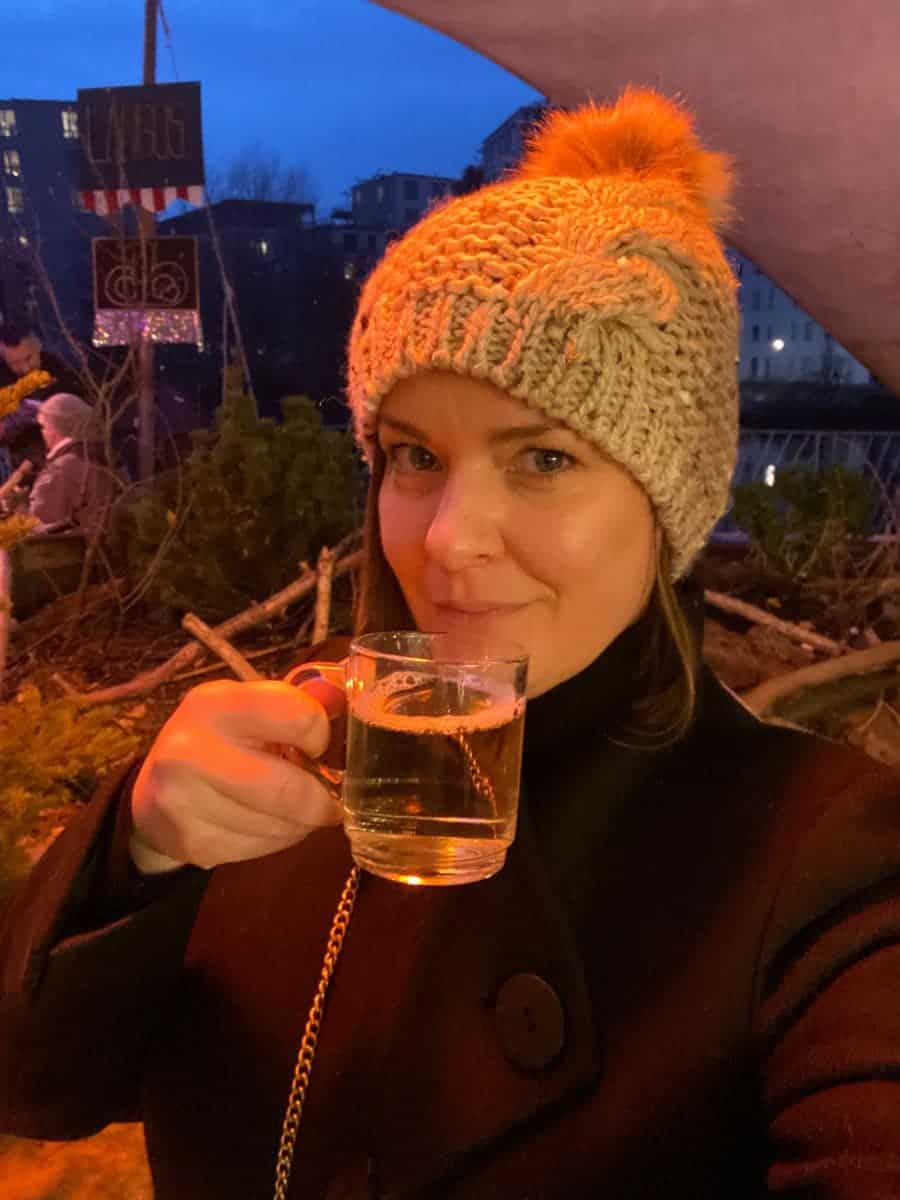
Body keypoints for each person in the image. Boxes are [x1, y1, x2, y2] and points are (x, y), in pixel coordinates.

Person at [2, 89, 899, 1199]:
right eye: (416, 456)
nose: (450, 540)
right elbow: (35, 1089)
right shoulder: (278, 783)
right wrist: (133, 849)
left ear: (666, 497)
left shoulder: (825, 861)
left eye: (545, 460)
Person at [28, 392, 120, 534]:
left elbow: (39, 523)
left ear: (57, 428)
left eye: (44, 427)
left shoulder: (62, 467)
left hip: (69, 552)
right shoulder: (107, 458)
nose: (42, 433)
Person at [0, 323, 87, 473]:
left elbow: (82, 415)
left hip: (65, 459)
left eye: (28, 358)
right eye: (15, 364)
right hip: (20, 463)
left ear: (38, 346)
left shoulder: (59, 369)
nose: (25, 368)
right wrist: (13, 422)